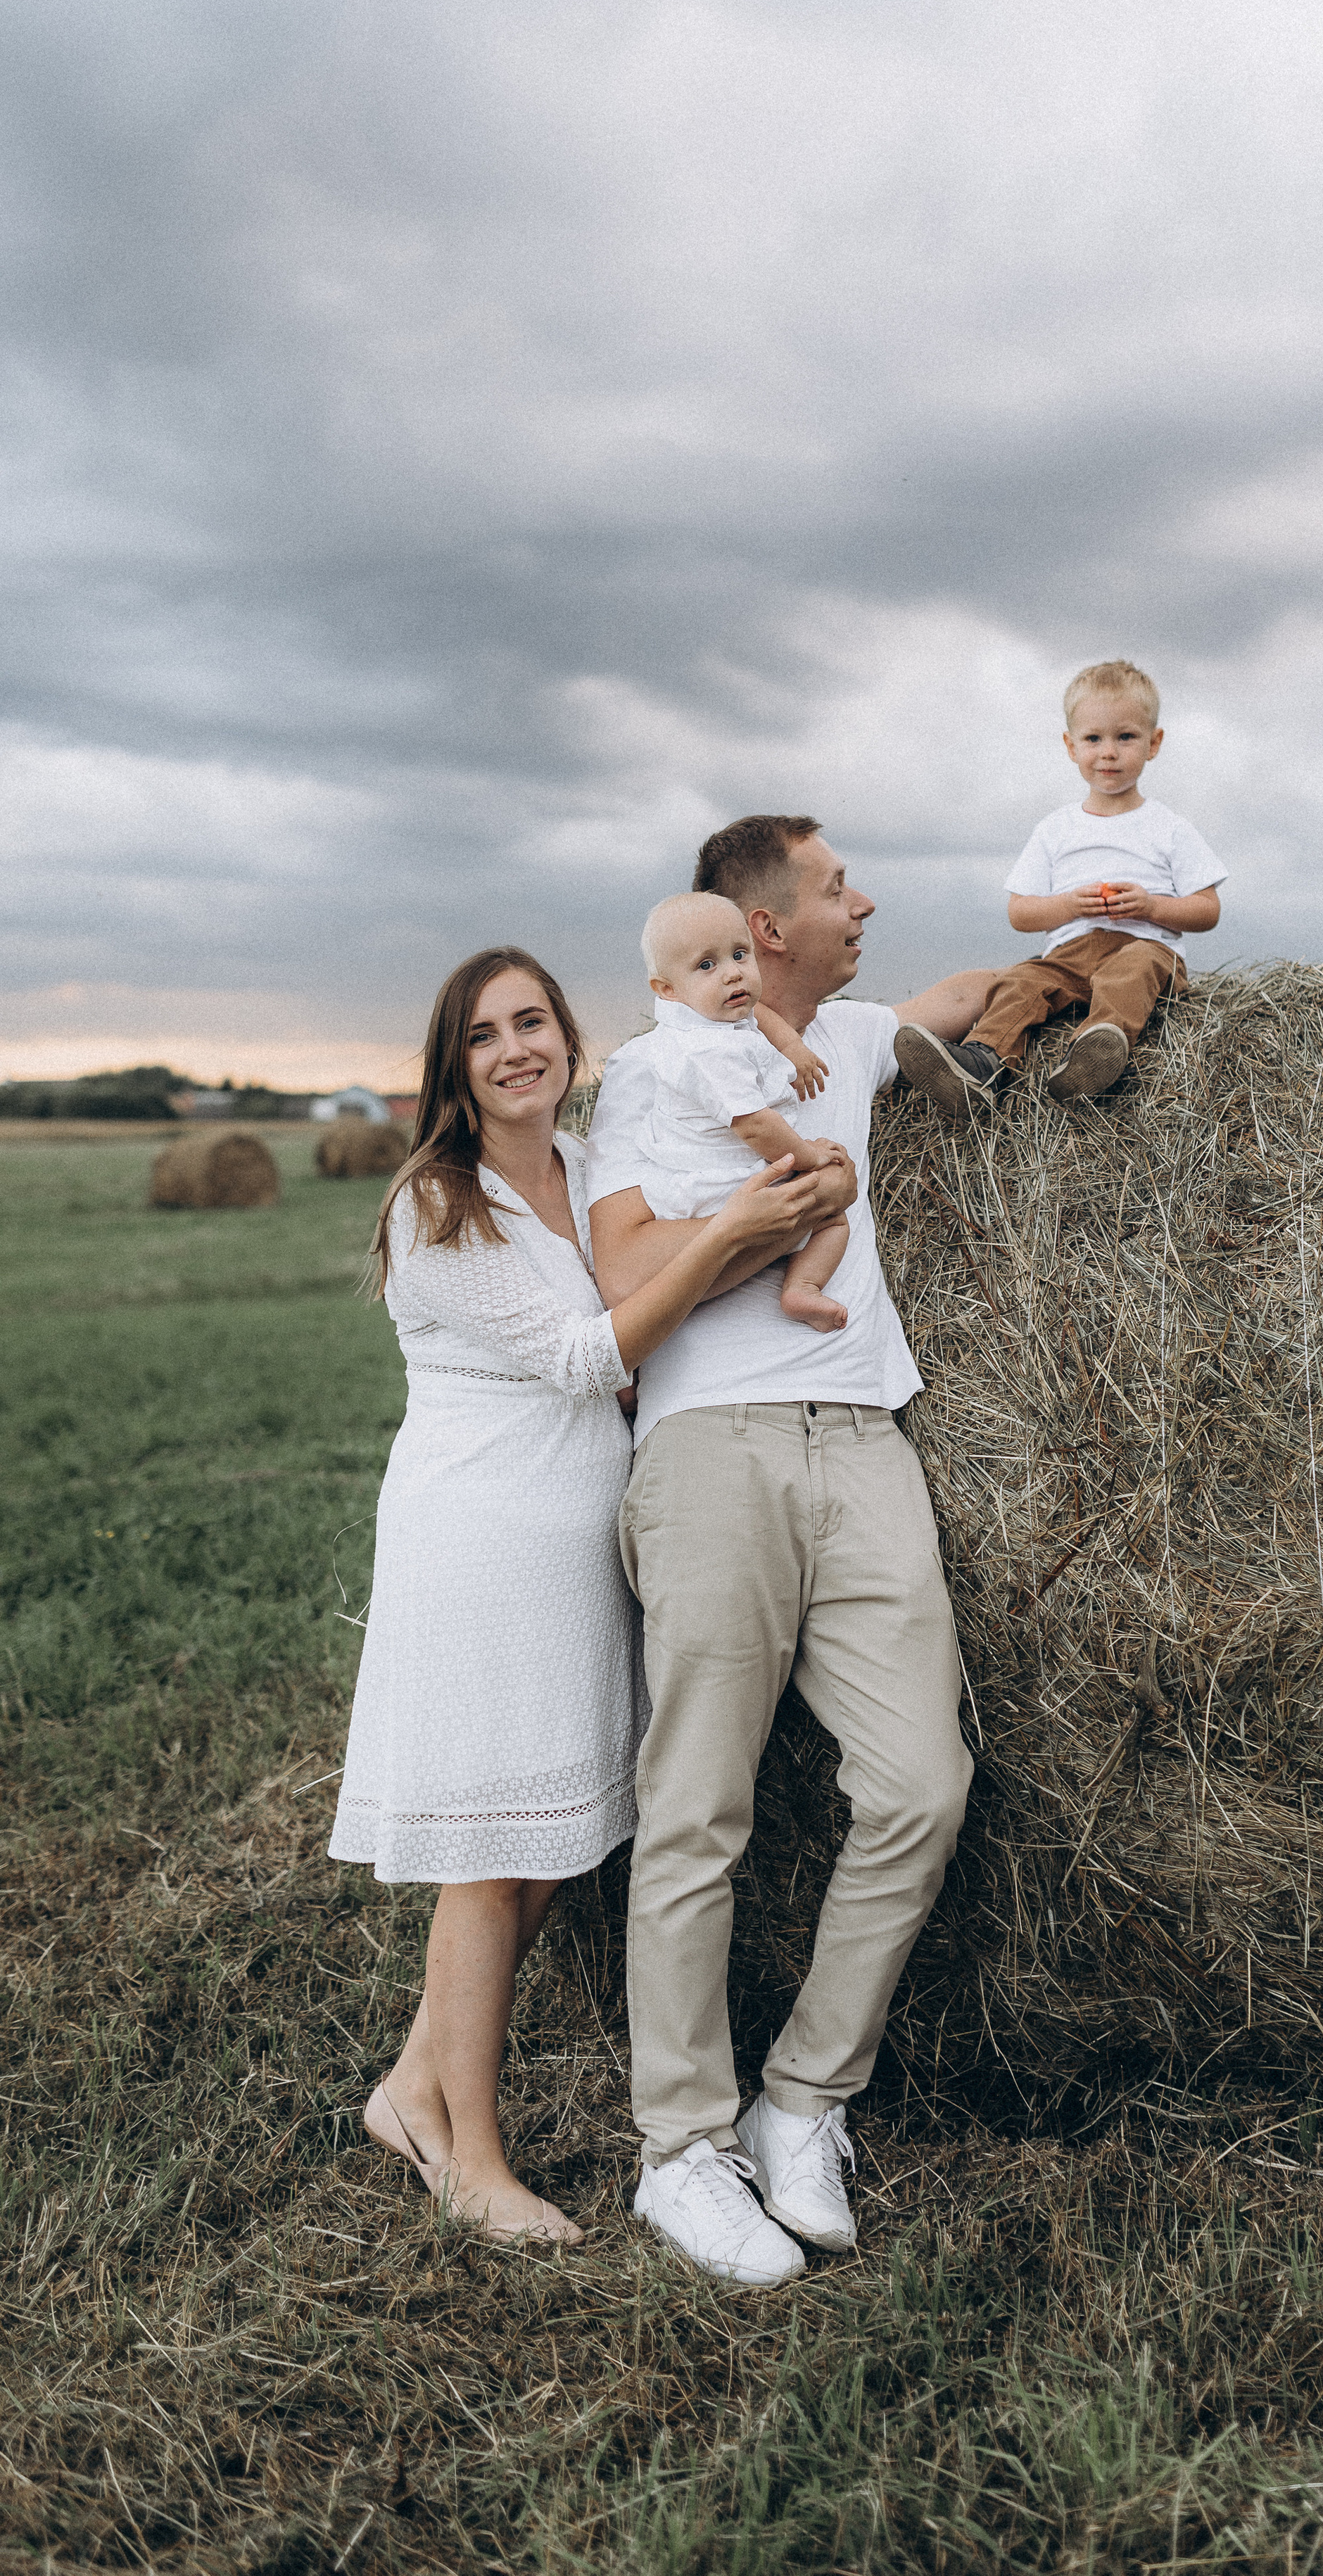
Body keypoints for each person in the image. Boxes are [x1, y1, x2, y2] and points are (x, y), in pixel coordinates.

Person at [329, 944, 826, 2245]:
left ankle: (408, 2088)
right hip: (483, 1536)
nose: (516, 1050)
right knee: (493, 1859)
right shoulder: (436, 1206)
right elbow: (581, 1349)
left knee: (554, 1840)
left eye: (534, 1021)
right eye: (486, 1034)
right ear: (458, 1065)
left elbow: (648, 1278)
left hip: (584, 1540)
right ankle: (468, 2156)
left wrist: (759, 1220)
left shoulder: (598, 1164)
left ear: (567, 1036)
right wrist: (730, 1233)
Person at [589, 822, 1004, 2287]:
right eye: (835, 887)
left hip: (863, 1437)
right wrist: (760, 1222)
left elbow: (960, 999)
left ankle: (801, 2102)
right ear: (757, 926)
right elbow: (624, 1271)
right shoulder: (647, 1071)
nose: (863, 901)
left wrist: (1098, 942)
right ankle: (681, 2152)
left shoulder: (842, 1034)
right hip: (712, 1447)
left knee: (921, 1782)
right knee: (695, 1806)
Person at [894, 658, 1227, 1118]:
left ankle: (1096, 1054)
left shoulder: (1169, 827)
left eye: (1125, 737)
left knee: (1128, 972)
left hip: (1146, 948)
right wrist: (1069, 905)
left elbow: (1207, 909)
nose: (1108, 752)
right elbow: (1021, 912)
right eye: (1094, 738)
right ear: (1071, 746)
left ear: (1155, 743)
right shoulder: (1055, 829)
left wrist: (1152, 906)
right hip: (1068, 957)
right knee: (1020, 981)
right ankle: (982, 1061)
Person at [638, 890, 854, 1334]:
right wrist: (808, 1156)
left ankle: (797, 1288)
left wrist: (792, 1047)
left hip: (729, 1176)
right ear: (667, 990)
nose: (733, 974)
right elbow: (755, 1126)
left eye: (740, 955)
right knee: (830, 1213)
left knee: (828, 1210)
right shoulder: (705, 1050)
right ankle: (802, 1284)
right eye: (707, 965)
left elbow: (760, 1014)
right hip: (721, 1187)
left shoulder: (714, 1013)